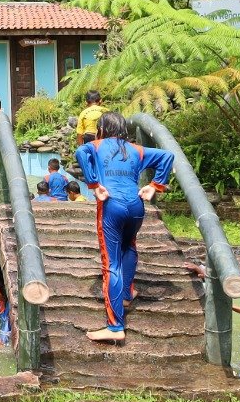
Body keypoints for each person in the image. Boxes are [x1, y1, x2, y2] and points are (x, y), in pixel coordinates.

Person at [75, 112, 175, 344]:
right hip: (136, 206)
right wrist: (154, 185)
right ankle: (127, 294)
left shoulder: (97, 145)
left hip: (112, 205)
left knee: (111, 264)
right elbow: (167, 156)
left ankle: (115, 326)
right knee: (128, 246)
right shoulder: (137, 149)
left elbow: (80, 151)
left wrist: (93, 184)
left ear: (101, 130)